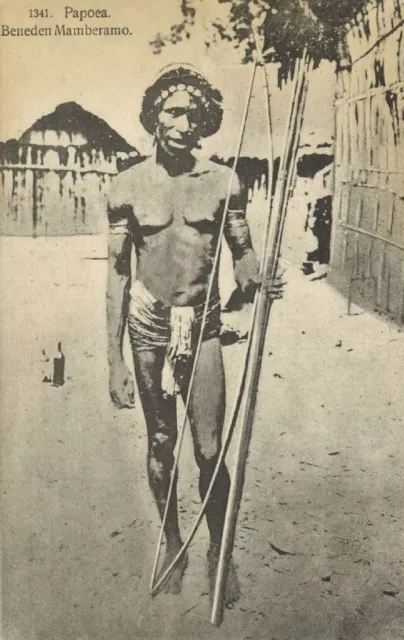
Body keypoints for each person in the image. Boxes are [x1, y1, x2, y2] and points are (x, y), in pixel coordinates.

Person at [106, 64, 275, 603]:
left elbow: (243, 254)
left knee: (208, 448)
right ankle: (173, 542)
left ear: (206, 122)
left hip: (202, 326)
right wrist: (113, 360)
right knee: (161, 440)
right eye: (174, 111)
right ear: (154, 114)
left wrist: (256, 279)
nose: (184, 122)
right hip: (148, 325)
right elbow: (116, 277)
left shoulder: (223, 181)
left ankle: (217, 554)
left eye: (193, 114)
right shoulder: (126, 185)